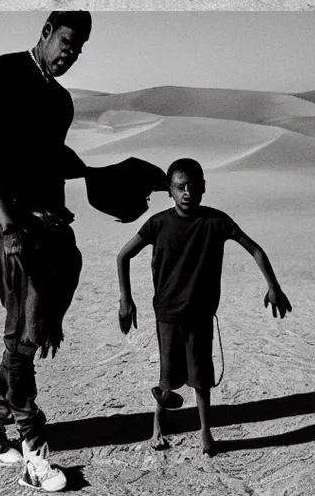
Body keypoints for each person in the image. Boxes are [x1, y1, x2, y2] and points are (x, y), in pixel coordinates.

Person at [0, 10, 92, 492]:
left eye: (79, 48)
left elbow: (53, 160)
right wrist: (8, 227)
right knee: (22, 337)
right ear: (45, 33)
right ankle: (33, 451)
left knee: (28, 336)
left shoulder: (62, 101)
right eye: (66, 41)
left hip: (51, 227)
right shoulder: (6, 71)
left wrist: (100, 176)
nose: (71, 53)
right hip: (12, 225)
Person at [117, 157, 291, 455]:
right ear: (169, 191)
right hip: (168, 314)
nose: (187, 193)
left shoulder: (216, 221)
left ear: (203, 188)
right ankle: (157, 428)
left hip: (200, 315)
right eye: (179, 187)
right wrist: (125, 299)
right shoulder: (157, 224)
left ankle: (206, 435)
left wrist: (273, 286)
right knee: (167, 378)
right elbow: (123, 256)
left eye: (193, 187)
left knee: (201, 378)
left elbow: (255, 249)